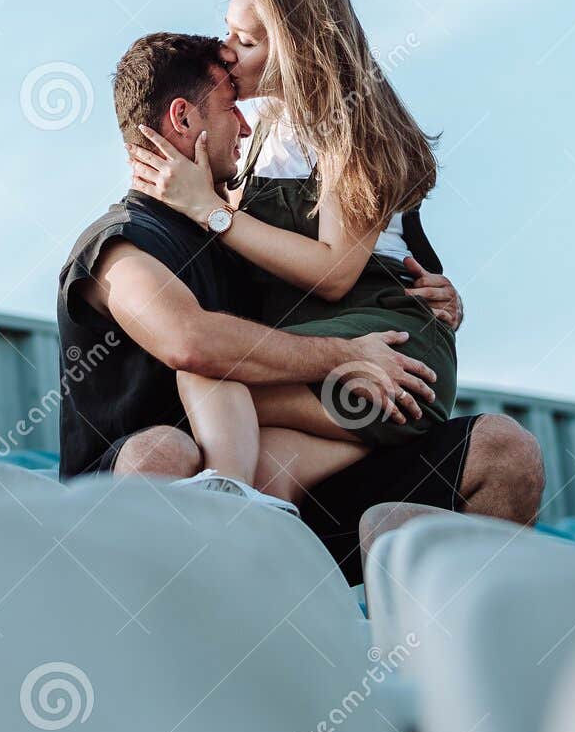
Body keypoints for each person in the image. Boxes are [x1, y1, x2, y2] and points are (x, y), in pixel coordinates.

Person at [56, 31, 542, 581]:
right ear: (184, 120)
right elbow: (192, 343)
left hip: (284, 484)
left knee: (506, 451)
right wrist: (344, 354)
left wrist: (434, 295)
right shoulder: (118, 243)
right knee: (165, 453)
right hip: (157, 494)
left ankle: (435, 642)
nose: (245, 126)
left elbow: (339, 261)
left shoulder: (240, 229)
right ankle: (167, 632)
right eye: (229, 110)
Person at [127, 0, 453, 496]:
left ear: (299, 51)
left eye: (247, 43)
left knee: (213, 369)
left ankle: (225, 505)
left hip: (385, 339)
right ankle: (247, 507)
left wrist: (211, 210)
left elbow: (335, 272)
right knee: (263, 472)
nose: (227, 54)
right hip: (318, 357)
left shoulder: (349, 124)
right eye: (228, 33)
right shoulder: (253, 132)